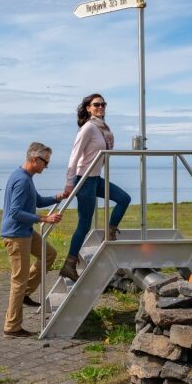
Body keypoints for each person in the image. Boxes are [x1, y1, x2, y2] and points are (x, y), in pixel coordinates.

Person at [59, 93, 131, 281]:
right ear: (88, 108)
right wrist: (69, 183)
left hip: (95, 179)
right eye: (96, 104)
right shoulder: (88, 128)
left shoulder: (101, 128)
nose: (100, 107)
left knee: (124, 199)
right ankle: (69, 264)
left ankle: (110, 233)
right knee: (84, 223)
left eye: (103, 104)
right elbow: (74, 156)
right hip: (84, 180)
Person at [0, 142, 65, 338]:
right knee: (18, 281)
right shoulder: (21, 180)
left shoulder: (26, 177)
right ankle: (12, 327)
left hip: (25, 231)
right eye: (46, 162)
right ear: (35, 159)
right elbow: (15, 212)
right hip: (16, 235)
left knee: (49, 254)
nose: (47, 166)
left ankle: (26, 293)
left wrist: (57, 197)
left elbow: (37, 201)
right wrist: (44, 219)